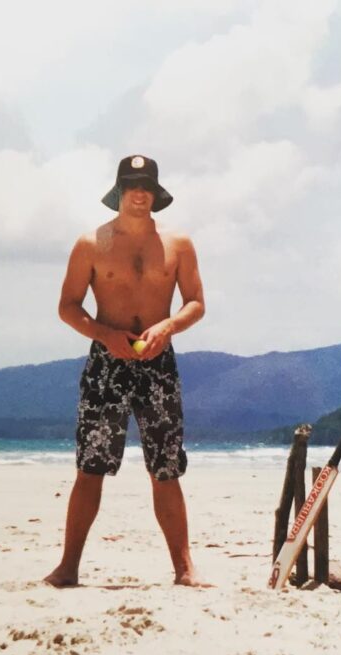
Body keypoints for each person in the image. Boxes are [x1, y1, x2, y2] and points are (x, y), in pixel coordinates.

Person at [44, 154, 208, 588]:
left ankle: (185, 569)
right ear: (119, 190)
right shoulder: (90, 244)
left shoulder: (178, 245)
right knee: (90, 466)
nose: (139, 192)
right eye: (132, 184)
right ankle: (68, 567)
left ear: (156, 194)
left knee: (166, 466)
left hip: (158, 363)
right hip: (106, 364)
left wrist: (169, 326)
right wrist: (103, 334)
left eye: (146, 185)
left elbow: (195, 302)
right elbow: (68, 306)